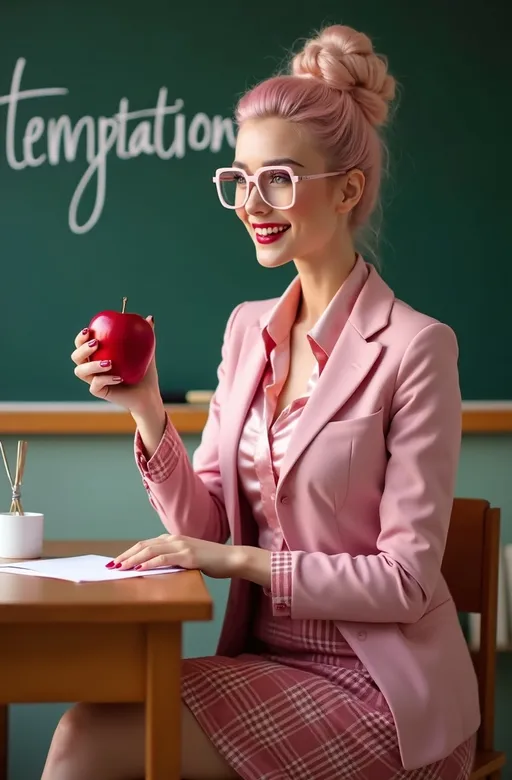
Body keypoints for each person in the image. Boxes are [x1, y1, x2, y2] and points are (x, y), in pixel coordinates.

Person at [43, 22, 479, 780]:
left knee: (89, 745)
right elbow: (204, 520)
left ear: (348, 189)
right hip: (263, 665)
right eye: (239, 179)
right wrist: (148, 409)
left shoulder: (416, 348)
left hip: (383, 695)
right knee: (86, 721)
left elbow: (406, 582)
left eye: (278, 177)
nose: (253, 202)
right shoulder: (248, 329)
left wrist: (234, 559)